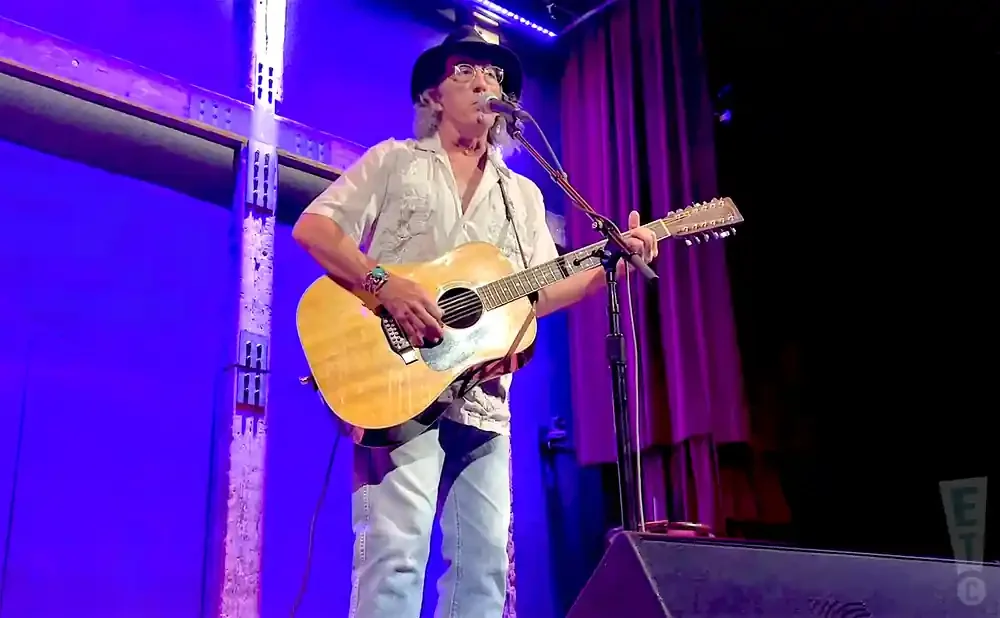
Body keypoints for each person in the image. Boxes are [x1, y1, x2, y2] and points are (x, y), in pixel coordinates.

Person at [292, 25, 658, 618]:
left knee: (485, 571)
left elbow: (536, 292)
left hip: (484, 397)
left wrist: (607, 270)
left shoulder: (524, 195)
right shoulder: (394, 161)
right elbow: (316, 229)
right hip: (395, 388)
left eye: (494, 75)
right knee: (396, 558)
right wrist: (382, 285)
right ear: (432, 97)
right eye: (464, 70)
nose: (484, 80)